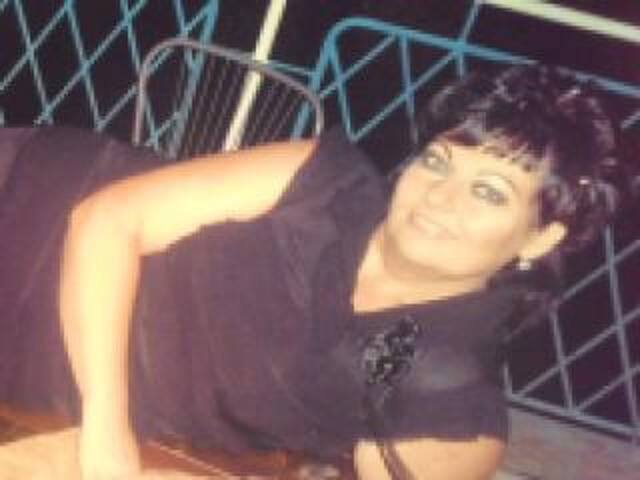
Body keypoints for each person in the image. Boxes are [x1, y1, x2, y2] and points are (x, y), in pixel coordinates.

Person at [0, 64, 633, 480]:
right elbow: (106, 220)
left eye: (489, 192)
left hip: (40, 362)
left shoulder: (450, 405)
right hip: (27, 202)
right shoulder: (327, 185)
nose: (440, 197)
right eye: (437, 162)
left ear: (543, 235)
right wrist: (107, 434)